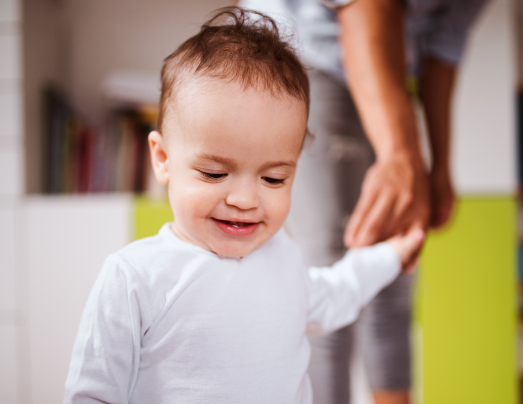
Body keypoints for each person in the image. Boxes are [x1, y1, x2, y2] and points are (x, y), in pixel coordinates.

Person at [63, 8, 425, 404]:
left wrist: (392, 254)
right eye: (215, 174)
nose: (245, 200)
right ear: (163, 158)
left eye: (273, 179)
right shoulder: (135, 278)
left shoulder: (283, 258)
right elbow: (92, 394)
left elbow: (340, 291)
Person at [239, 0, 487, 403]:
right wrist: (401, 155)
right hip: (302, 57)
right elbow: (364, 8)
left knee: (392, 274)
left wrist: (438, 165)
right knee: (332, 268)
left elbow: (445, 44)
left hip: (389, 65)